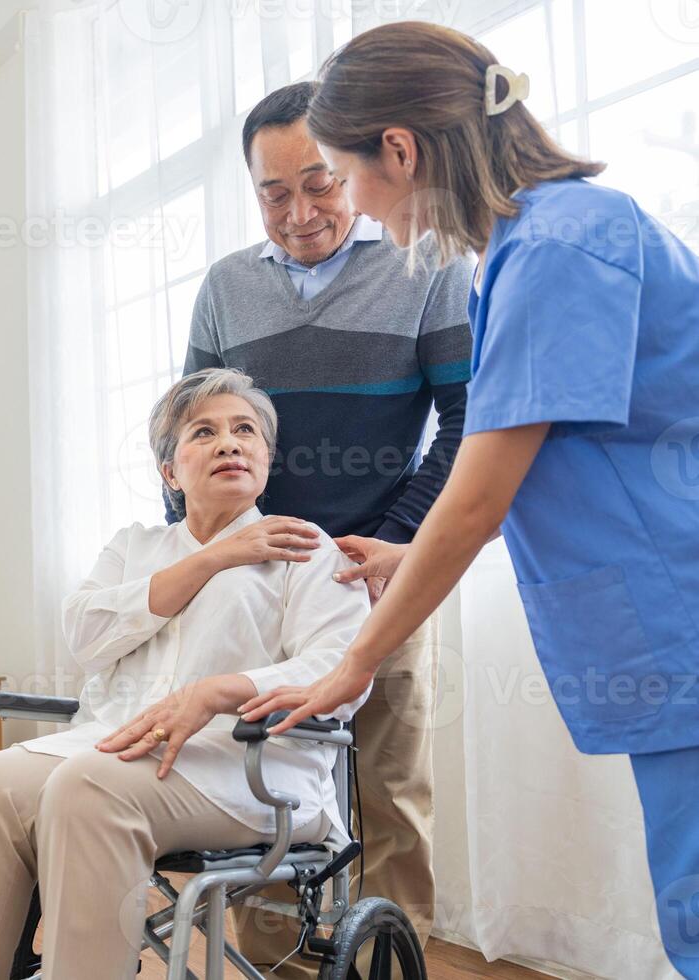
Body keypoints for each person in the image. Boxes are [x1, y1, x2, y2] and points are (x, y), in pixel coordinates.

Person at [131, 22, 699, 978]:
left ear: (398, 151)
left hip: (672, 607)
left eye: (341, 177)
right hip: (648, 613)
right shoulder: (533, 245)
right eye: (286, 188)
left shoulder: (556, 246)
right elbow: (544, 455)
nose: (342, 205)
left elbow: (479, 481)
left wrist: (359, 647)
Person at [0, 369, 373, 979]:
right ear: (170, 472)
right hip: (112, 746)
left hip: (250, 767)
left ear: (265, 456)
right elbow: (85, 634)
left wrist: (216, 693)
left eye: (245, 431)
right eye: (203, 432)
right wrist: (216, 557)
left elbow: (338, 670)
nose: (229, 443)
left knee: (89, 787)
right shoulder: (135, 546)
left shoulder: (306, 549)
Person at [166, 80, 476, 967]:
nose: (299, 212)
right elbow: (192, 419)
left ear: (349, 170)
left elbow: (465, 420)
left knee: (389, 787)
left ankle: (391, 962)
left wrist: (399, 539)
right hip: (257, 573)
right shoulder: (227, 287)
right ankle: (271, 961)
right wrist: (196, 544)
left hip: (387, 568)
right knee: (256, 773)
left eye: (319, 184)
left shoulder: (428, 266)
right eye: (274, 192)